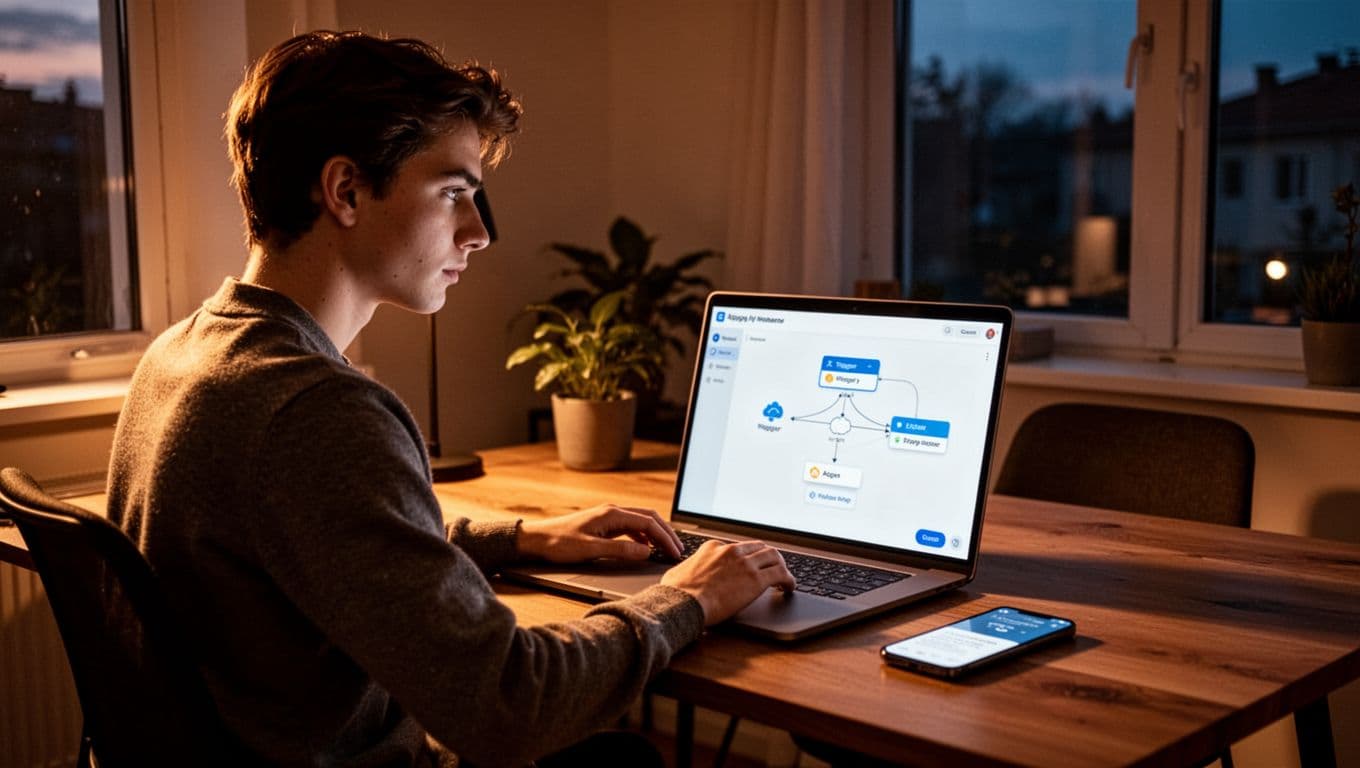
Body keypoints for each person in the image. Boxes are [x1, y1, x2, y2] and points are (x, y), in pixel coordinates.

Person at [106, 30, 794, 768]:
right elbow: (509, 705)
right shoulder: (316, 410)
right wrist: (688, 598)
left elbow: (319, 542)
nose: (479, 232)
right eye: (453, 193)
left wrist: (522, 538)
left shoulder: (184, 353)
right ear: (346, 191)